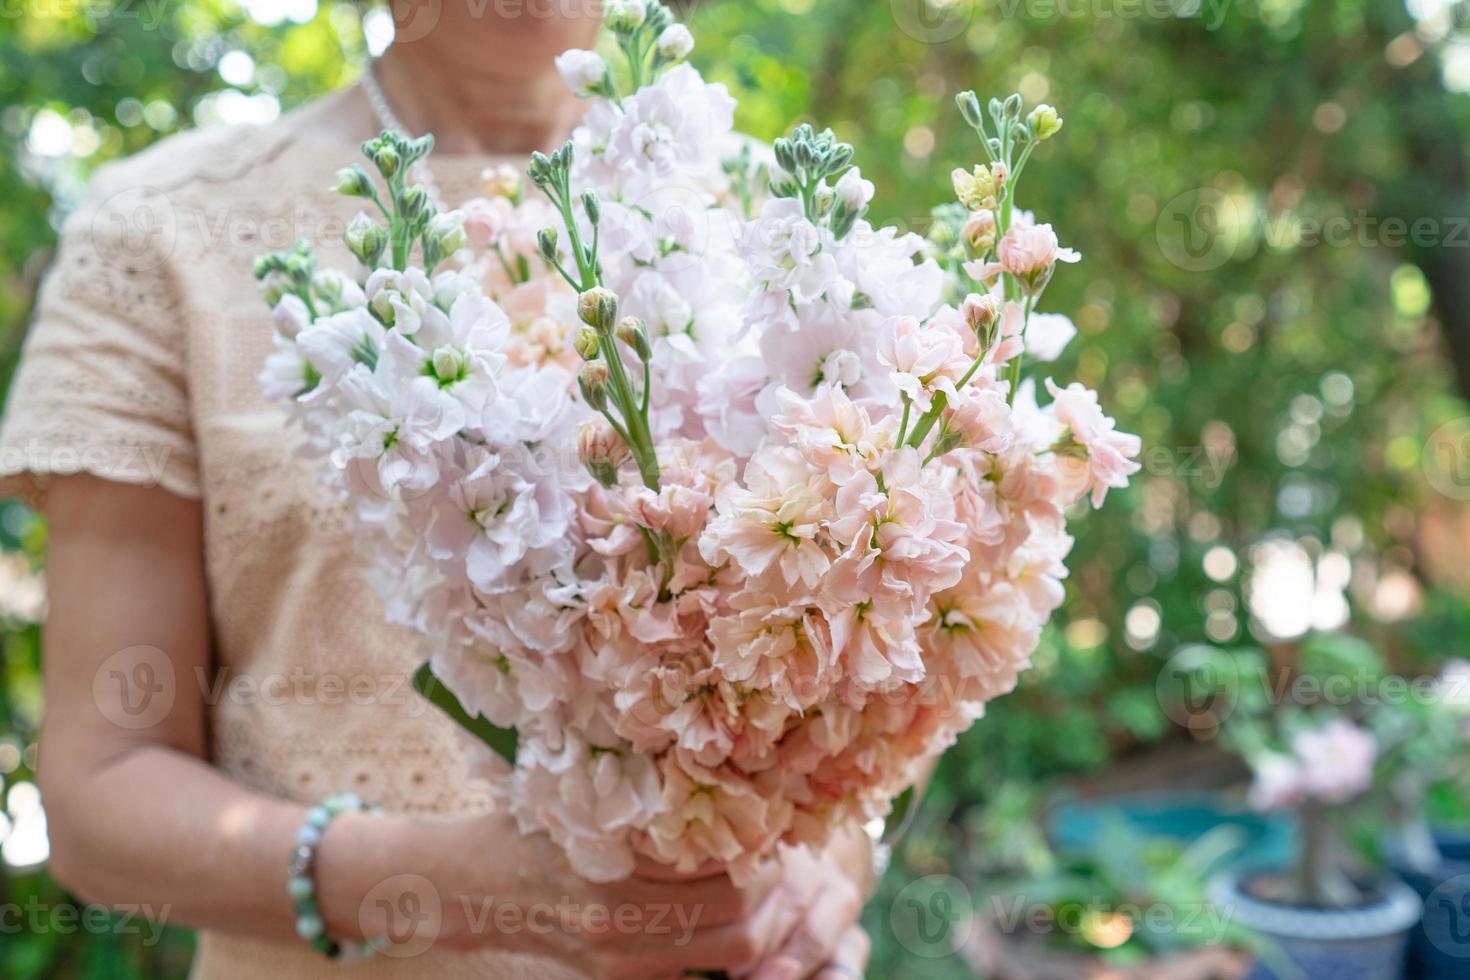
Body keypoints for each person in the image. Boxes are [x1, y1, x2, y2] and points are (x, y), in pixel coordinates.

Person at [0, 2, 876, 977]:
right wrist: (469, 889)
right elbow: (99, 795)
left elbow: (879, 676)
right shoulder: (160, 233)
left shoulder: (777, 217)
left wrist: (834, 863)